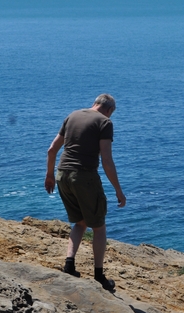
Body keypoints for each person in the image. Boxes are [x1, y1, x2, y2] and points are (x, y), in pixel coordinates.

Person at [45, 93, 126, 291]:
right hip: (84, 177)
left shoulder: (72, 116)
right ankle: (99, 276)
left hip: (62, 175)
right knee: (99, 227)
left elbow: (52, 149)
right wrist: (118, 190)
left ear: (95, 103)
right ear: (109, 110)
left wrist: (49, 175)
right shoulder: (104, 122)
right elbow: (107, 160)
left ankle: (69, 265)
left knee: (80, 222)